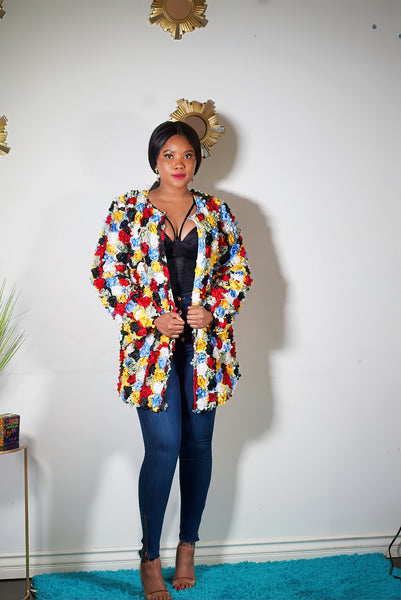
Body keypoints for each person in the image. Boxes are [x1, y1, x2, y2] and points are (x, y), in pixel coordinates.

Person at [91, 121, 252, 600]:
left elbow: (238, 270)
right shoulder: (128, 209)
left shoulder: (216, 211)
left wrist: (214, 309)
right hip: (150, 348)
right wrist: (150, 317)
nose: (179, 165)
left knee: (198, 446)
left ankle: (187, 547)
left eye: (187, 156)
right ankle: (149, 557)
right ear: (155, 159)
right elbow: (107, 272)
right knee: (163, 447)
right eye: (169, 156)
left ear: (197, 160)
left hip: (206, 350)